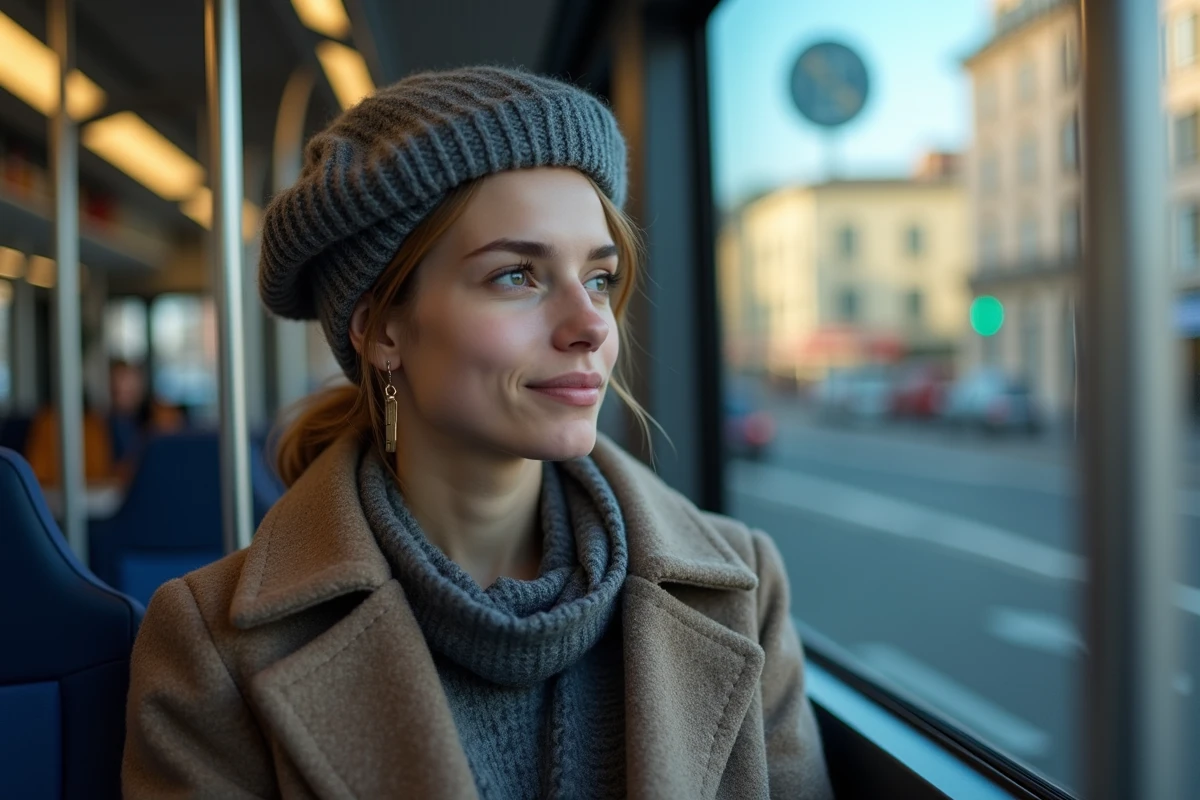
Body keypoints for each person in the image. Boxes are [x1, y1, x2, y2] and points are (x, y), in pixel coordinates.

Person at [122, 67, 834, 799]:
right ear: (380, 330)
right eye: (516, 276)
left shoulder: (744, 588)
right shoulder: (211, 645)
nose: (591, 324)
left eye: (597, 277)